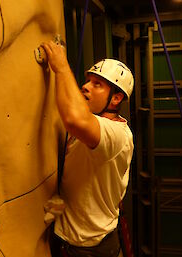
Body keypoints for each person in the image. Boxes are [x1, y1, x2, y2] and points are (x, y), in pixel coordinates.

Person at [41, 40, 134, 257]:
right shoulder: (94, 125)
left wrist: (61, 67)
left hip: (91, 249)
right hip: (74, 242)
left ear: (116, 98)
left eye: (97, 84)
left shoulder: (118, 134)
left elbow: (75, 119)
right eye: (88, 81)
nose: (86, 86)